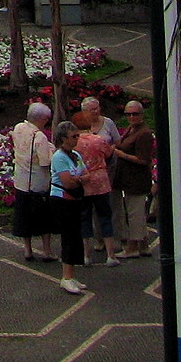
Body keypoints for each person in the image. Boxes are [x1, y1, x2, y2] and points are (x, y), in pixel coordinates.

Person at [72, 101, 119, 265]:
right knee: (105, 216)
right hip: (101, 182)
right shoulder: (99, 140)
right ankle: (111, 255)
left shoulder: (74, 144)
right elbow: (109, 154)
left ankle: (86, 255)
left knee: (84, 218)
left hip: (83, 183)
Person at [10, 102, 56, 262]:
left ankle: (28, 250)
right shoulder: (39, 136)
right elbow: (45, 162)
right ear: (41, 119)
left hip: (21, 181)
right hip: (38, 183)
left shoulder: (19, 128)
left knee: (24, 217)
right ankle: (47, 251)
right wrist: (52, 151)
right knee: (44, 219)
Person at [110, 100, 156, 258]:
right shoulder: (132, 129)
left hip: (137, 180)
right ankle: (144, 245)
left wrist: (121, 154)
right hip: (128, 178)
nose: (131, 117)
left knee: (134, 213)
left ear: (141, 115)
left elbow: (143, 159)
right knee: (137, 212)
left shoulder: (144, 133)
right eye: (128, 114)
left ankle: (132, 247)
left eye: (135, 114)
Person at [48, 120, 89, 294]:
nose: (77, 139)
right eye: (73, 136)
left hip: (75, 200)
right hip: (62, 200)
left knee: (75, 236)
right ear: (63, 138)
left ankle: (71, 275)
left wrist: (78, 179)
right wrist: (79, 179)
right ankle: (66, 277)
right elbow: (67, 182)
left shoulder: (76, 155)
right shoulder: (59, 157)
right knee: (68, 237)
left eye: (78, 135)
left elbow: (86, 174)